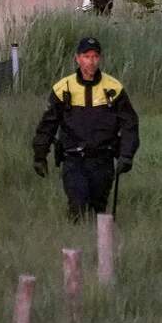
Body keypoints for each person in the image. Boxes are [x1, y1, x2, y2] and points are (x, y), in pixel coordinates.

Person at [32, 37, 139, 221]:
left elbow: (130, 124)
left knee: (98, 208)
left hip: (103, 159)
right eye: (86, 56)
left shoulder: (113, 88)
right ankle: (75, 242)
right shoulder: (63, 88)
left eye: (95, 56)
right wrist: (40, 155)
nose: (91, 61)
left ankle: (98, 245)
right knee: (78, 206)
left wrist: (127, 155)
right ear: (77, 58)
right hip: (73, 159)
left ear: (100, 58)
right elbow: (47, 125)